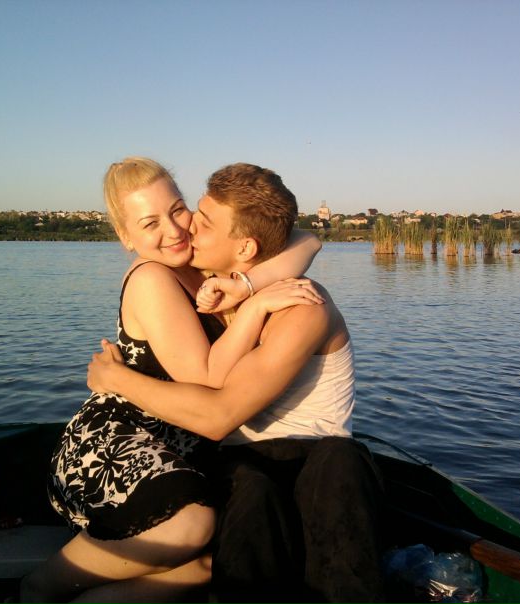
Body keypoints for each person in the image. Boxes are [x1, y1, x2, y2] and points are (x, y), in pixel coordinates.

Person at [20, 157, 323, 604]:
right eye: (150, 223)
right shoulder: (152, 277)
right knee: (190, 526)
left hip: (178, 451)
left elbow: (308, 239)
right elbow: (207, 378)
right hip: (114, 443)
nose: (174, 229)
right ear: (126, 237)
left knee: (215, 561)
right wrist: (256, 306)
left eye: (178, 209)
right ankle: (39, 587)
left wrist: (248, 284)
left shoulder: (203, 266)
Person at [88, 163, 386, 603]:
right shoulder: (211, 283)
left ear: (244, 247)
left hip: (314, 453)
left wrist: (117, 378)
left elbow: (219, 414)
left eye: (201, 220)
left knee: (339, 464)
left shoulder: (303, 307)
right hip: (239, 457)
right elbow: (306, 239)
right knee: (249, 489)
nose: (187, 226)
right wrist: (249, 287)